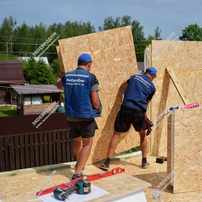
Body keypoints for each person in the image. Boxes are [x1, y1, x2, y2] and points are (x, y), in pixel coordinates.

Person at [100, 67, 157, 170]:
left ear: (145, 72)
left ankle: (106, 162)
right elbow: (146, 103)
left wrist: (123, 97)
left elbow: (124, 86)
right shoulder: (152, 87)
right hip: (139, 112)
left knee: (116, 134)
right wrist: (145, 118)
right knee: (142, 135)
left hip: (126, 108)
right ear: (154, 76)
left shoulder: (135, 77)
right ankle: (144, 162)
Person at [62, 53, 101, 179]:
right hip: (85, 116)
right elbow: (95, 101)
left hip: (71, 116)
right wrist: (98, 107)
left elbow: (58, 84)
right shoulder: (90, 77)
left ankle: (79, 165)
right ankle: (78, 173)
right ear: (89, 64)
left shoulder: (67, 76)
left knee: (76, 141)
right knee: (87, 144)